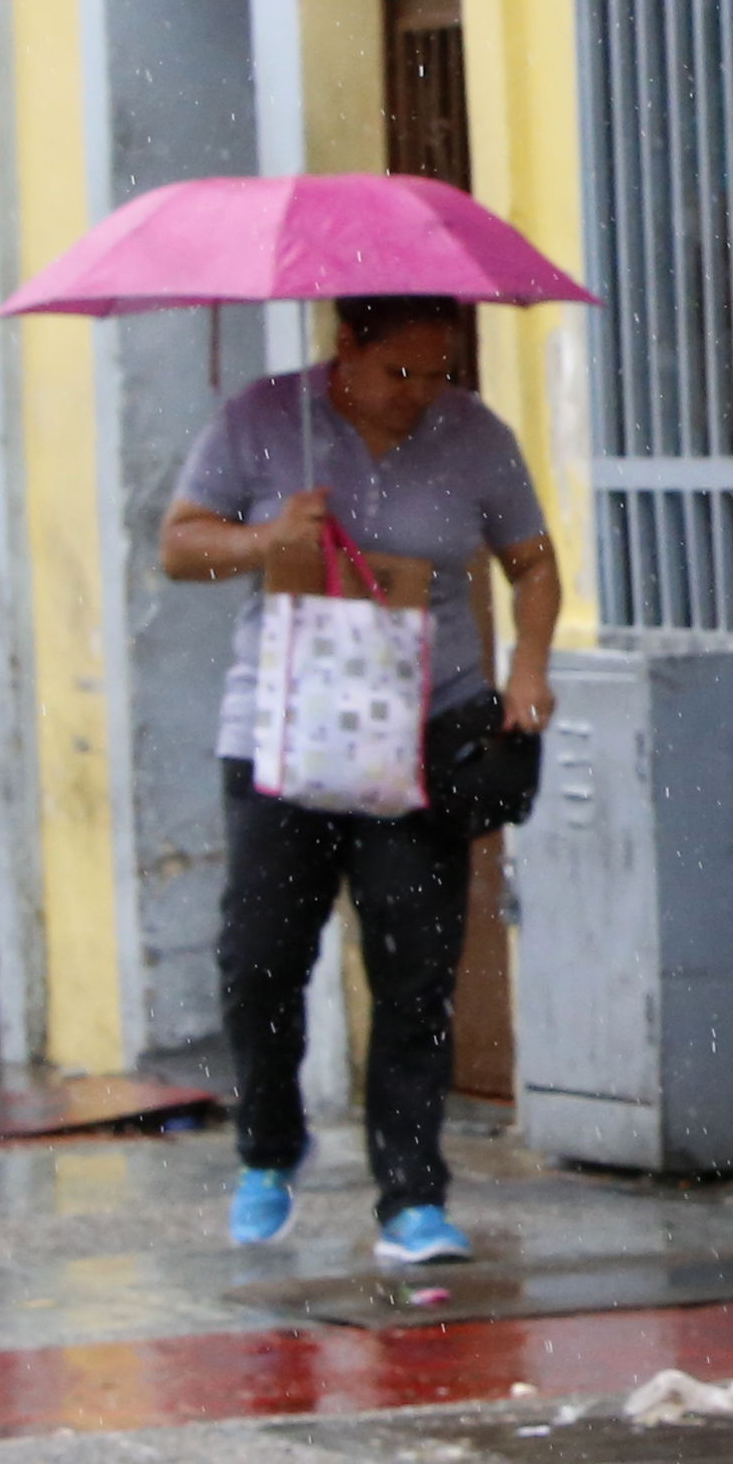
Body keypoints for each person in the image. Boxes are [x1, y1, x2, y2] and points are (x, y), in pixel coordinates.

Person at [161, 296, 561, 1266]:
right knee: (260, 956)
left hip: (427, 730)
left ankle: (412, 1195)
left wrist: (528, 668)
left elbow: (533, 562)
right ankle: (269, 1144)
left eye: (438, 373)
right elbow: (179, 545)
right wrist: (267, 540)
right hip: (284, 734)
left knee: (413, 964)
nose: (420, 395)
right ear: (346, 348)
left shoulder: (473, 437)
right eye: (400, 374)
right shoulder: (262, 420)